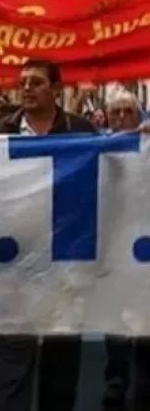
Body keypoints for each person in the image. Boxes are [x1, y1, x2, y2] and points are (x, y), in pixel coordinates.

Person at [0, 59, 96, 411]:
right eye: (23, 81)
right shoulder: (0, 131)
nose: (26, 88)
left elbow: (108, 174)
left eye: (36, 82)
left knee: (62, 354)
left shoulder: (80, 130)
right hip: (13, 259)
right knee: (14, 353)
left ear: (56, 90)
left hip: (65, 256)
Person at [101, 91, 150, 409]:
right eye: (115, 113)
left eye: (127, 112)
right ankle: (115, 378)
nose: (121, 118)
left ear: (139, 114)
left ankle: (143, 378)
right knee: (113, 315)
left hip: (144, 244)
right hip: (110, 245)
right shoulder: (97, 149)